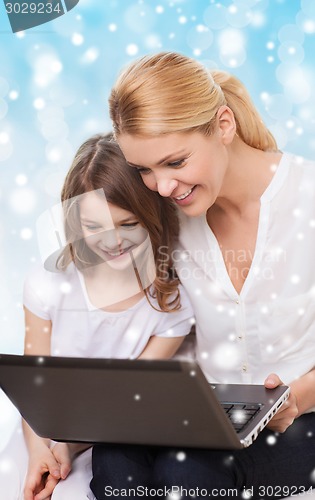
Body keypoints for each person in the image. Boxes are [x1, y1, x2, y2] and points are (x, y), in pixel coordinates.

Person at [90, 52, 315, 499]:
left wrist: (299, 396)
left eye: (175, 162)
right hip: (203, 411)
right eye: (144, 170)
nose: (162, 187)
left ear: (224, 125)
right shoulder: (170, 217)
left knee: (189, 470)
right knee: (115, 459)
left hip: (302, 416)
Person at [0, 134, 194, 500]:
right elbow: (32, 390)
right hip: (41, 432)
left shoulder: (170, 304)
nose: (112, 241)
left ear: (151, 215)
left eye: (127, 223)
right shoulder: (47, 284)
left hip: (107, 435)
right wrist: (42, 448)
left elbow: (125, 404)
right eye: (94, 228)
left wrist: (70, 449)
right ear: (74, 222)